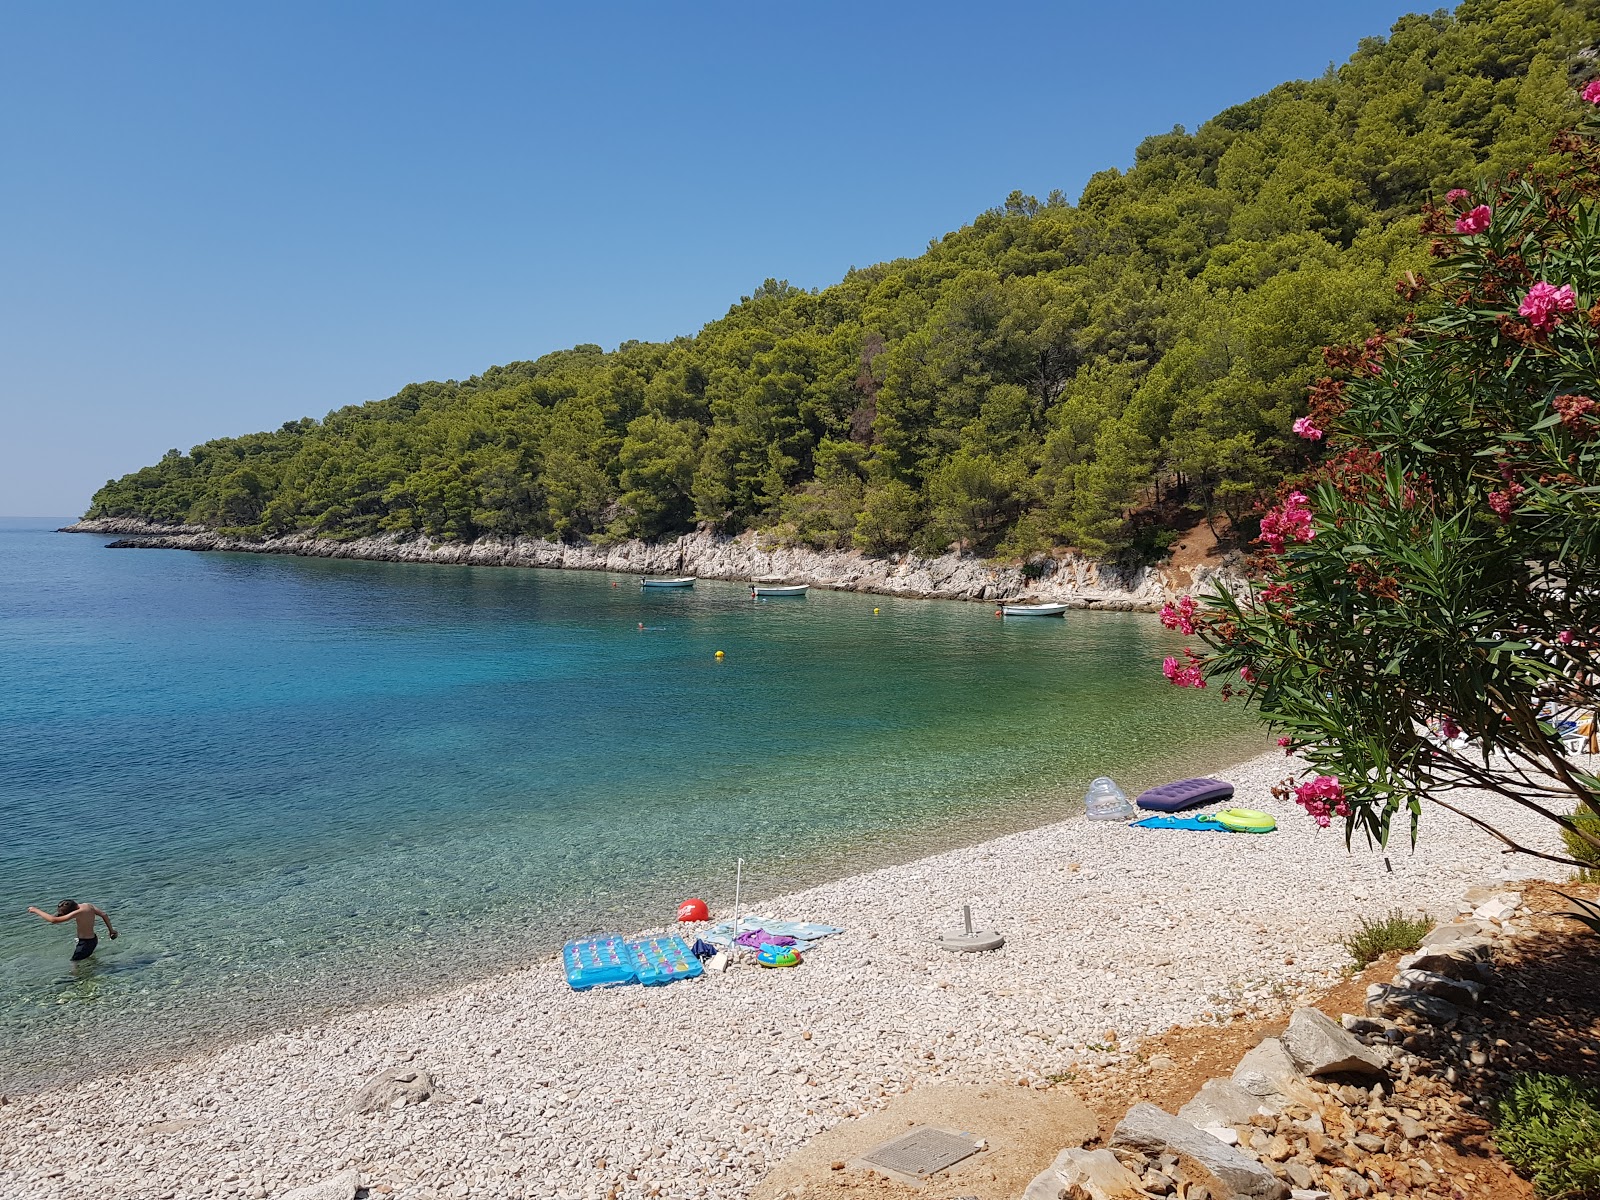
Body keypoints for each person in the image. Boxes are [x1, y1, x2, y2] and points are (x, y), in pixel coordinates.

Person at [27, 899, 117, 961]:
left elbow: (53, 920)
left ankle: (76, 981)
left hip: (85, 943)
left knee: (74, 962)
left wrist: (35, 910)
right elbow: (104, 914)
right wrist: (111, 930)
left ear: (71, 911)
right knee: (86, 958)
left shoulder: (78, 913)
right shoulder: (88, 906)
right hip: (93, 939)